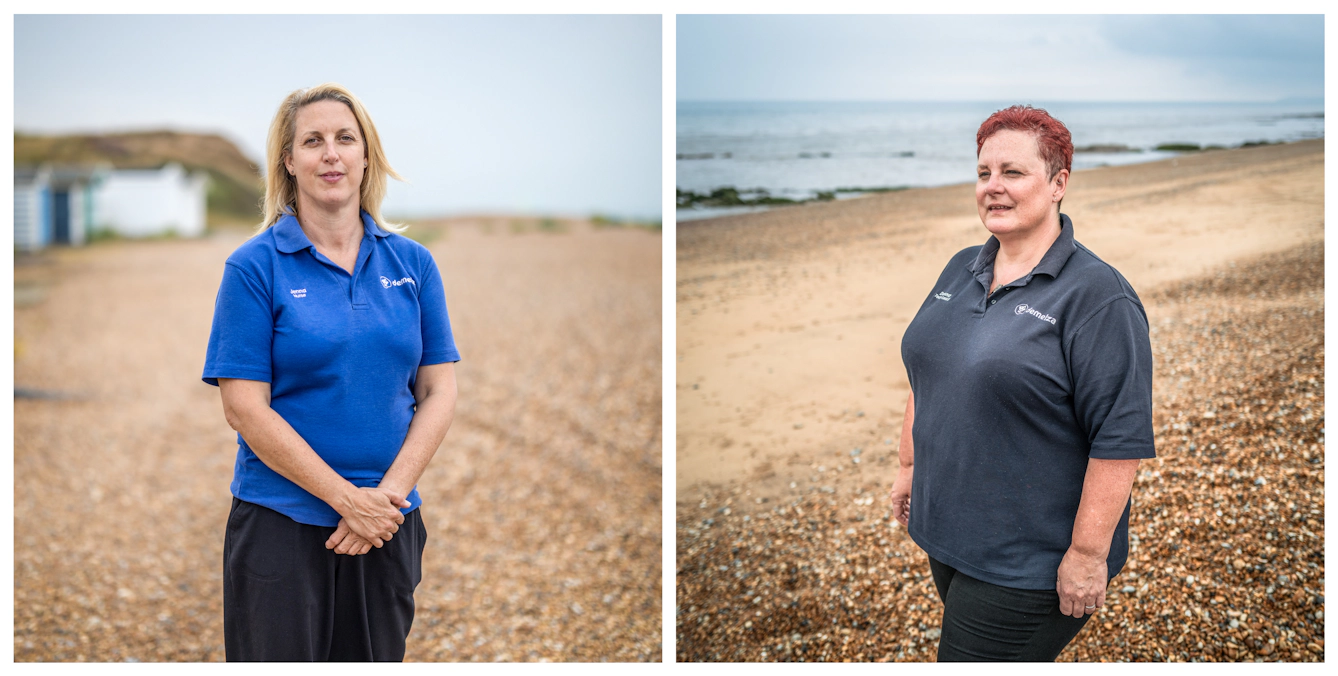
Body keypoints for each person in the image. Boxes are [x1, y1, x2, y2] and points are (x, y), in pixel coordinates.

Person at [202, 83, 460, 661]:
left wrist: (384, 501)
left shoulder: (413, 263)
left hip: (387, 524)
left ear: (367, 155)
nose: (331, 154)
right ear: (289, 162)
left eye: (346, 138)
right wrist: (347, 499)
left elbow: (439, 390)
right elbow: (243, 406)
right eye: (312, 141)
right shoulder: (252, 267)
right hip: (280, 522)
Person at [889, 105, 1155, 662]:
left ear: (1059, 183)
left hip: (1029, 559)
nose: (993, 187)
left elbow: (1120, 436)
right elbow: (931, 367)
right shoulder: (962, 265)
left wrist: (1087, 554)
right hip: (950, 531)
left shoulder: (1097, 296)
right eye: (984, 173)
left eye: (1013, 172)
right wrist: (909, 467)